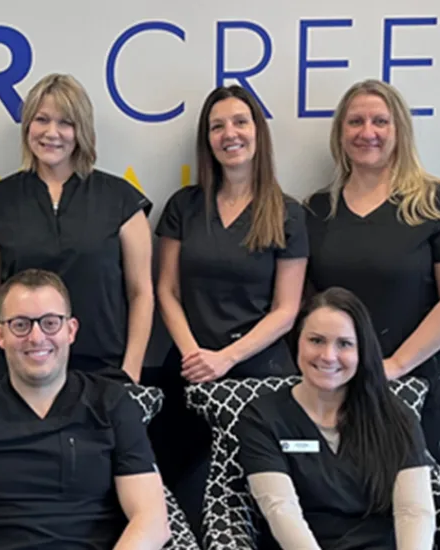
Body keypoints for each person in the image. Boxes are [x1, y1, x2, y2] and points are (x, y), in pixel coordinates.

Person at [0, 269, 171, 550]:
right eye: (20, 325)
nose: (36, 337)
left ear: (71, 330)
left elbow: (152, 519)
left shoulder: (112, 403)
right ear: (0, 335)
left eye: (50, 323)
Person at [149, 85, 308, 531]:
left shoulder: (288, 214)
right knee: (172, 491)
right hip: (186, 371)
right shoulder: (184, 206)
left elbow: (286, 309)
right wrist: (194, 355)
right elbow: (166, 291)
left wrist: (226, 359)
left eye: (240, 122)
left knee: (255, 504)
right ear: (207, 139)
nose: (229, 134)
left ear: (258, 132)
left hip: (259, 380)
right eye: (217, 126)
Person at [304, 79, 440, 475]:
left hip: (424, 384)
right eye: (356, 122)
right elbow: (307, 303)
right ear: (340, 134)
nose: (368, 132)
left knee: (419, 515)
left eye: (380, 121)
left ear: (399, 130)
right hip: (340, 389)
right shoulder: (315, 210)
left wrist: (395, 365)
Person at [0, 73, 154, 383]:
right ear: (27, 126)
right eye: (41, 120)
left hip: (103, 372)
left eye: (65, 122)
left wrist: (131, 372)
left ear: (81, 130)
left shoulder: (121, 199)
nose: (51, 133)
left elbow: (141, 293)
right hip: (20, 372)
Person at [235, 287, 435, 550]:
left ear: (362, 351)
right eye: (316, 340)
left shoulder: (396, 417)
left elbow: (414, 511)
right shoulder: (261, 417)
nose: (328, 356)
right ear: (297, 341)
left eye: (344, 344)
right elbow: (281, 511)